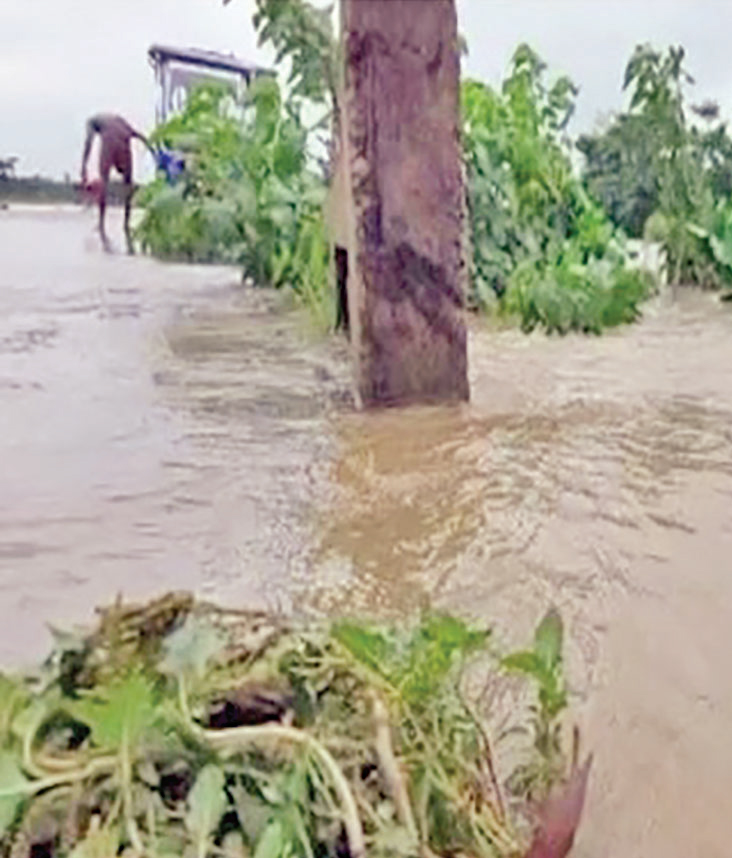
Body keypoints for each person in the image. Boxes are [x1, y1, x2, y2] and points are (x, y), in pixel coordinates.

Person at [80, 114, 153, 253]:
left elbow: (88, 143)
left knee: (104, 182)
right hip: (124, 141)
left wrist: (83, 165)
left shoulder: (92, 123)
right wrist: (152, 149)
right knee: (128, 184)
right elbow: (136, 134)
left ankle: (101, 224)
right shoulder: (118, 121)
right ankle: (126, 223)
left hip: (109, 142)